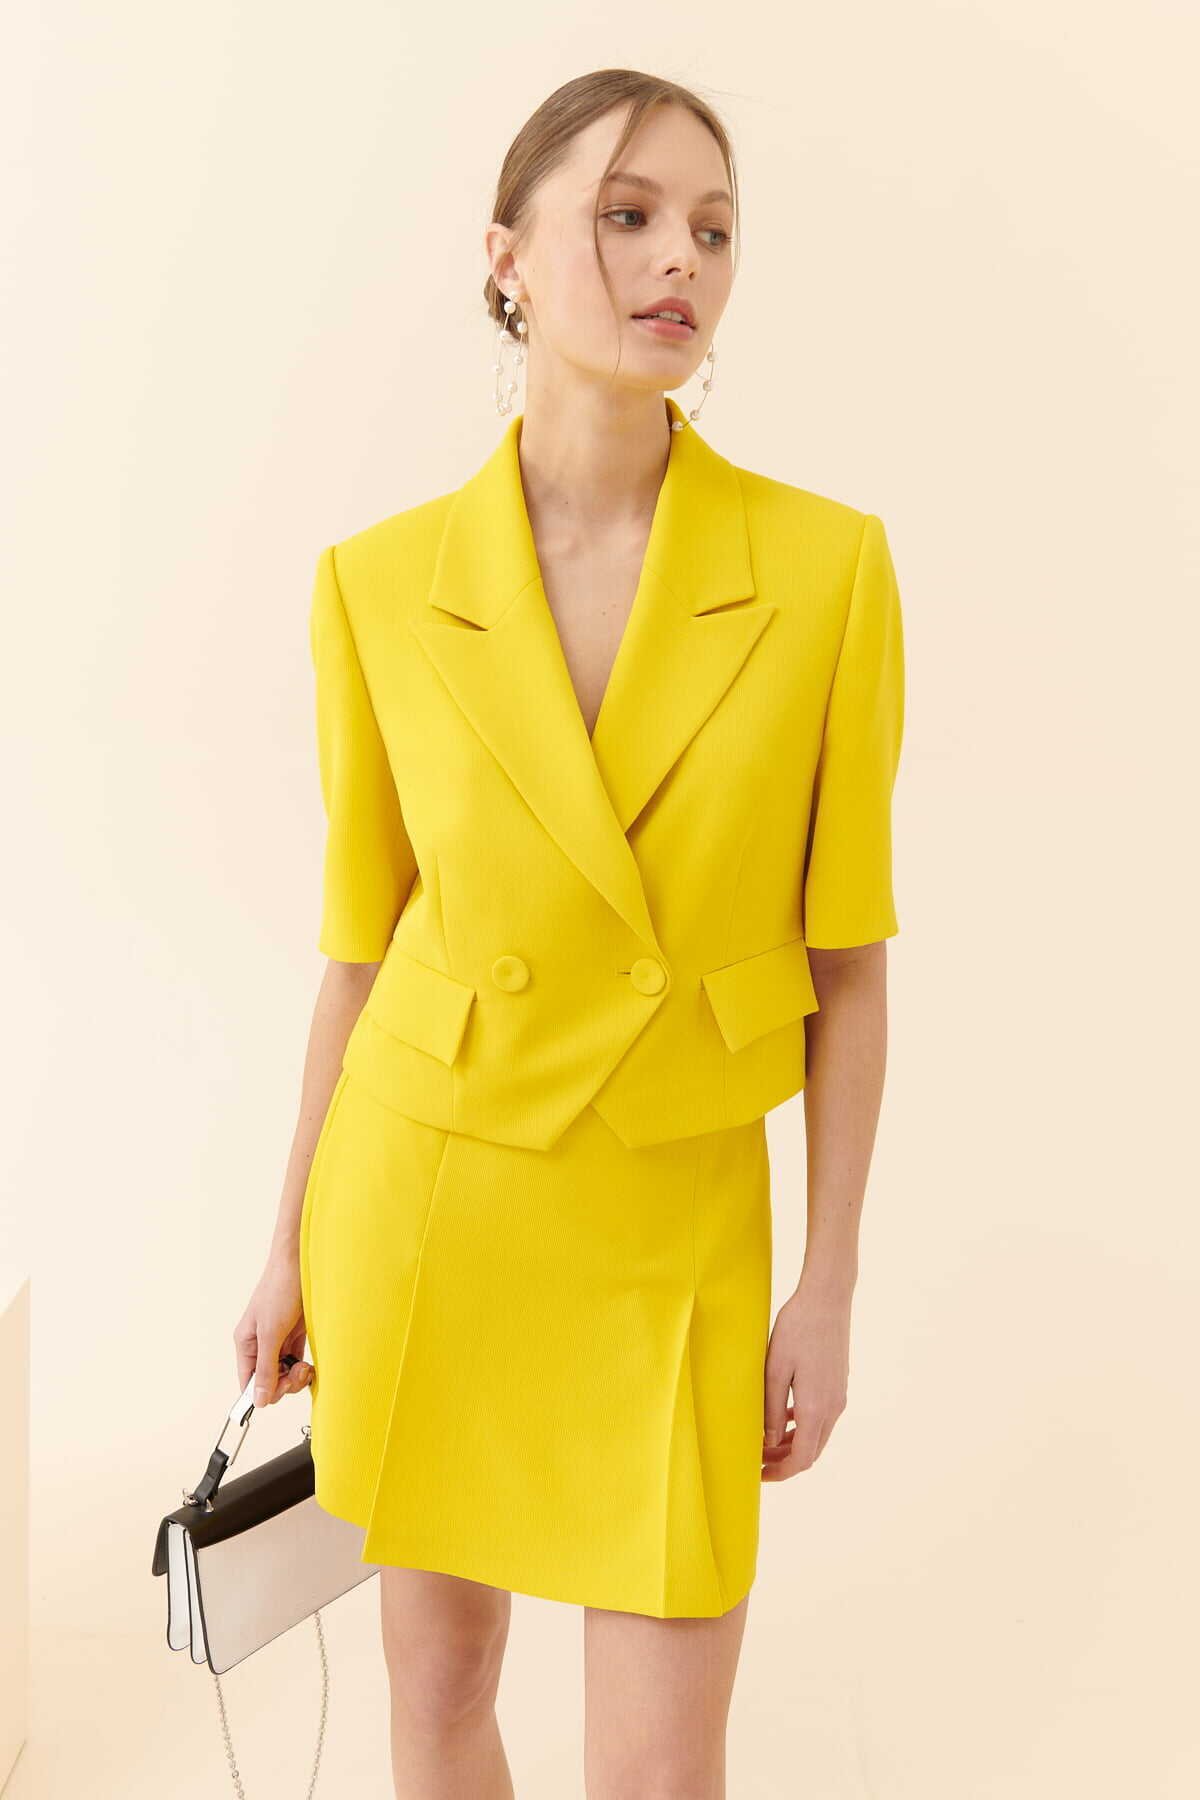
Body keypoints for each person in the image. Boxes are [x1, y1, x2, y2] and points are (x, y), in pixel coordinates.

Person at [234, 68, 905, 1800]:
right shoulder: (378, 584)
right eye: (628, 215)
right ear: (508, 259)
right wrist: (288, 1241)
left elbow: (849, 965)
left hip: (675, 1220)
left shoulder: (827, 570)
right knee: (440, 1696)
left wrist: (828, 1284)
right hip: (435, 1200)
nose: (681, 259)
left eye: (714, 228)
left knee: (663, 1767)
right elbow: (361, 952)